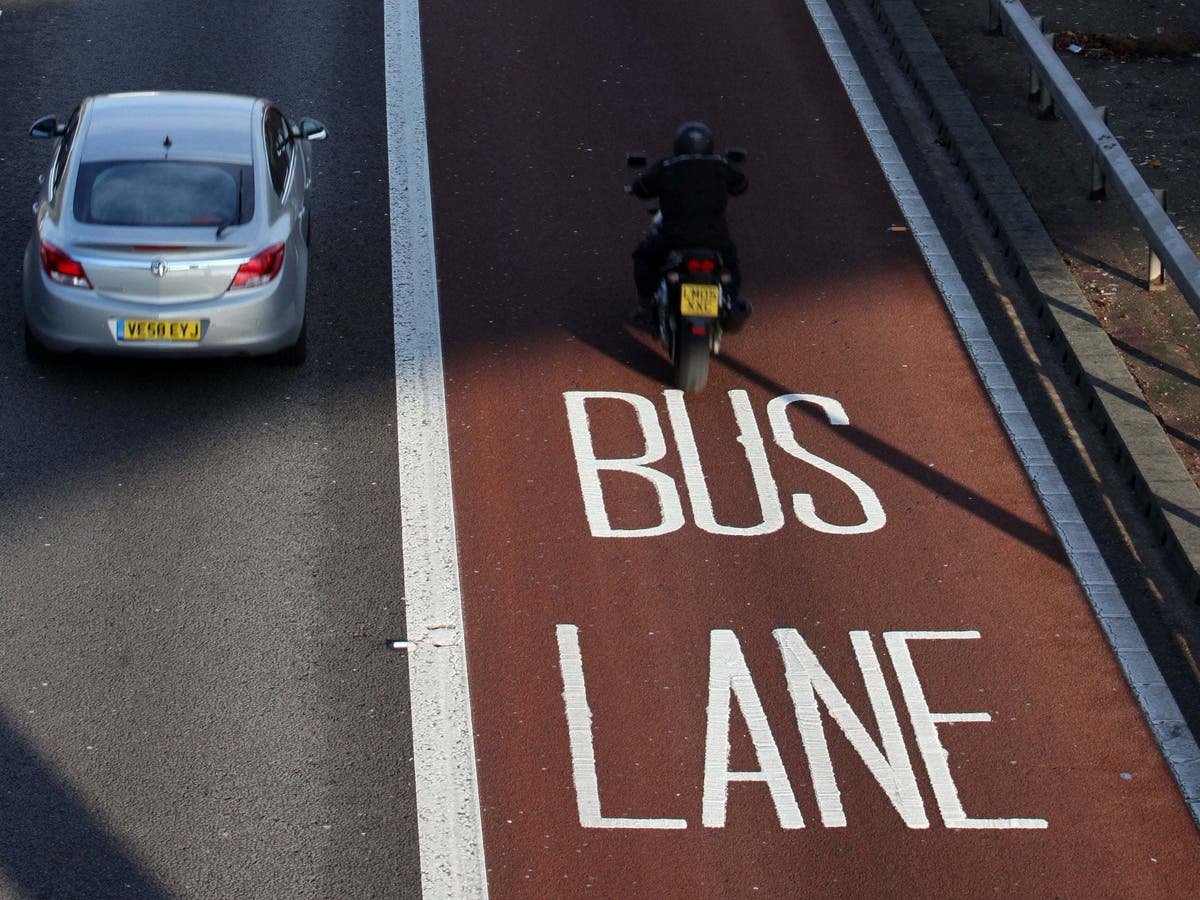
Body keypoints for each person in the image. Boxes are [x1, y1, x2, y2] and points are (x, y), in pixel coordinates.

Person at [629, 121, 750, 325]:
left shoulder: (667, 167)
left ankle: (647, 306)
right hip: (715, 238)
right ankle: (730, 302)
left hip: (674, 238)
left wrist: (637, 186)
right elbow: (741, 186)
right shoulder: (720, 166)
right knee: (731, 265)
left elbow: (642, 189)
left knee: (643, 258)